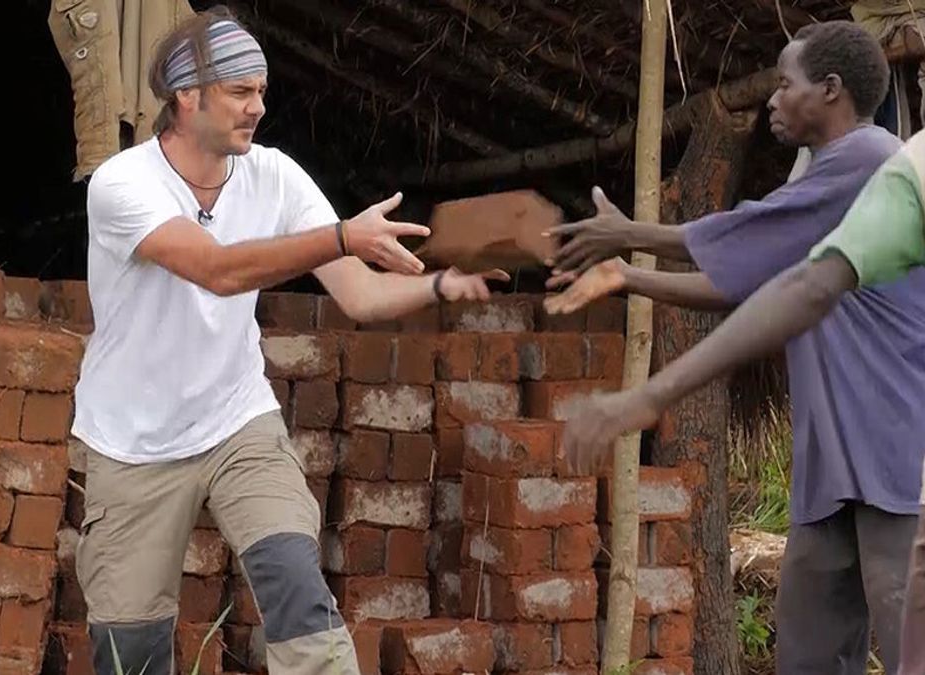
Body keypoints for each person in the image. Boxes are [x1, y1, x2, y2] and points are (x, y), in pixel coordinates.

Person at [70, 7, 507, 675]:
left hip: (237, 422)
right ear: (187, 96)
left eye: (262, 91)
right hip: (132, 443)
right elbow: (217, 269)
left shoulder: (274, 175)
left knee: (297, 587)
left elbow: (358, 294)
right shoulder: (123, 183)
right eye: (240, 92)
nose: (258, 107)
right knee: (130, 650)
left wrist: (442, 285)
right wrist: (340, 235)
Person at [544, 21, 925, 675]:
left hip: (893, 462)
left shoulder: (871, 160)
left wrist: (631, 235)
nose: (773, 99)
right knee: (806, 657)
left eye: (785, 83)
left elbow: (744, 236)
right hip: (830, 472)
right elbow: (747, 280)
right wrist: (630, 270)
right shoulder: (823, 176)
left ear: (830, 91)